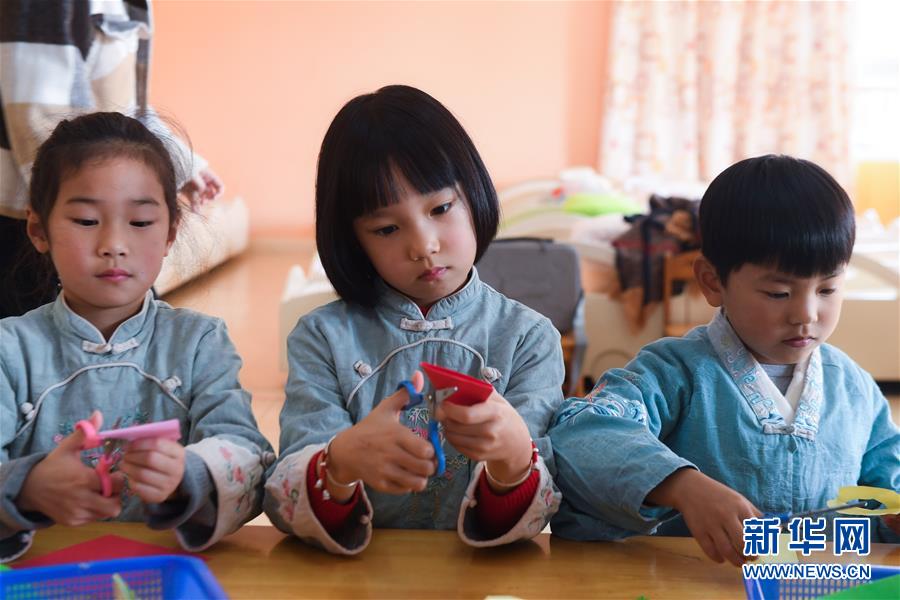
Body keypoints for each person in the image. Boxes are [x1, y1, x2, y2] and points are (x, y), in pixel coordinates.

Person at [548, 155, 900, 566]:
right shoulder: (674, 372)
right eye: (778, 293)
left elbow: (886, 495)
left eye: (827, 290)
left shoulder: (854, 389)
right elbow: (580, 434)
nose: (806, 314)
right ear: (712, 282)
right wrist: (681, 485)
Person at [263, 85, 564, 554]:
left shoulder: (528, 337)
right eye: (387, 228)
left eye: (440, 208)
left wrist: (512, 459)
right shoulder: (322, 337)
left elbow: (539, 511)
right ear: (352, 240)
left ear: (475, 194)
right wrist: (339, 463)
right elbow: (284, 502)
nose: (423, 245)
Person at [0, 112, 271, 563]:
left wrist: (190, 473)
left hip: (165, 574)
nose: (114, 244)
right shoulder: (10, 349)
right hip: (40, 580)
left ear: (170, 232)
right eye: (87, 220)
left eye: (141, 222)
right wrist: (26, 489)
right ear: (38, 230)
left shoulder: (199, 343)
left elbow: (250, 459)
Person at [0, 0, 223, 318]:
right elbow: (38, 118)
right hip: (34, 222)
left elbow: (125, 110)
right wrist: (81, 211)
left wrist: (182, 163)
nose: (116, 245)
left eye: (142, 222)